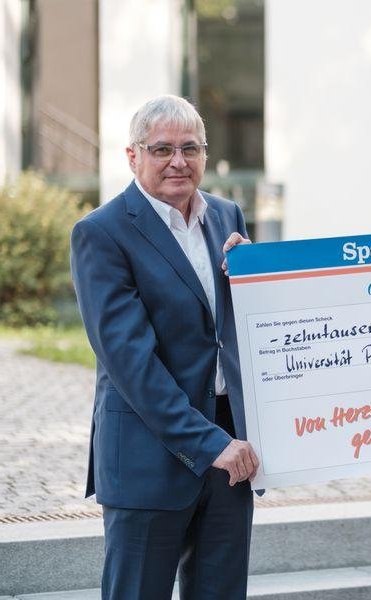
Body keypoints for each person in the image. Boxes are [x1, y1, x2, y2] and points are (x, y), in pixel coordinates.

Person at [71, 95, 259, 599]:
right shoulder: (101, 233)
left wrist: (258, 278)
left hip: (231, 447)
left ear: (204, 153)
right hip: (148, 455)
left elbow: (244, 333)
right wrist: (211, 445)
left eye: (190, 148)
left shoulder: (227, 216)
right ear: (133, 157)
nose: (178, 161)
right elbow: (132, 363)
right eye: (162, 149)